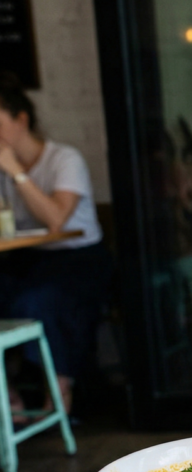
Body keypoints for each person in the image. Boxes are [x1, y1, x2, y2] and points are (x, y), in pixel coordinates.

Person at [0, 73, 111, 418]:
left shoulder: (64, 159)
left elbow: (56, 220)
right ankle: (10, 395)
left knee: (40, 300)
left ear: (21, 119)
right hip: (29, 258)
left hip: (79, 258)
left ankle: (59, 387)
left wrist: (15, 171)